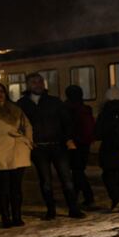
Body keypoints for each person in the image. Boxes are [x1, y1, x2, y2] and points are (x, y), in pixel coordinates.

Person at [17, 72, 85, 220]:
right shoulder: (22, 104)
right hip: (38, 148)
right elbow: (19, 126)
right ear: (28, 85)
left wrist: (68, 139)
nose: (38, 85)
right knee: (45, 181)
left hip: (58, 146)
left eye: (40, 81)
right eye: (34, 82)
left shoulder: (54, 102)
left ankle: (73, 209)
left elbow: (67, 122)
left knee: (67, 179)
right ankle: (51, 210)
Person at [0, 83, 33, 227]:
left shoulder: (16, 109)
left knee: (16, 187)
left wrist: (28, 142)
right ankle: (5, 217)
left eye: (1, 91)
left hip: (18, 151)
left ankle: (17, 216)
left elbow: (28, 125)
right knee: (2, 187)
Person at [64, 84, 95, 209]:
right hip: (84, 144)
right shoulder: (85, 108)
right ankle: (81, 197)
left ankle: (86, 197)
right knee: (78, 171)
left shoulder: (67, 108)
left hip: (73, 144)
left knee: (76, 172)